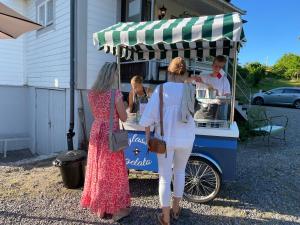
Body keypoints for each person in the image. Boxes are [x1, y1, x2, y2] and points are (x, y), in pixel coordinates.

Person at [139, 57, 199, 225]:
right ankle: (176, 209)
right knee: (180, 172)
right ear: (185, 73)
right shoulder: (190, 89)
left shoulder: (160, 90)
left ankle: (165, 217)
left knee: (165, 177)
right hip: (187, 138)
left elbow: (147, 119)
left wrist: (148, 138)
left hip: (165, 140)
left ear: (169, 72)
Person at [80, 62, 131, 221]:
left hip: (96, 131)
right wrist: (124, 106)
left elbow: (98, 113)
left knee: (97, 168)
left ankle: (100, 207)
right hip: (111, 134)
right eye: (116, 75)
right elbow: (123, 117)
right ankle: (116, 210)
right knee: (112, 172)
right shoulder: (115, 94)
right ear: (112, 75)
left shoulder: (92, 93)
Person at [195, 55, 231, 120]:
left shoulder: (224, 80)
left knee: (216, 129)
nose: (217, 68)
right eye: (216, 66)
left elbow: (228, 97)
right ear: (212, 65)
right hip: (201, 108)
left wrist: (220, 99)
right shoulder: (203, 76)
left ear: (222, 68)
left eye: (220, 67)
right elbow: (189, 81)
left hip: (218, 110)